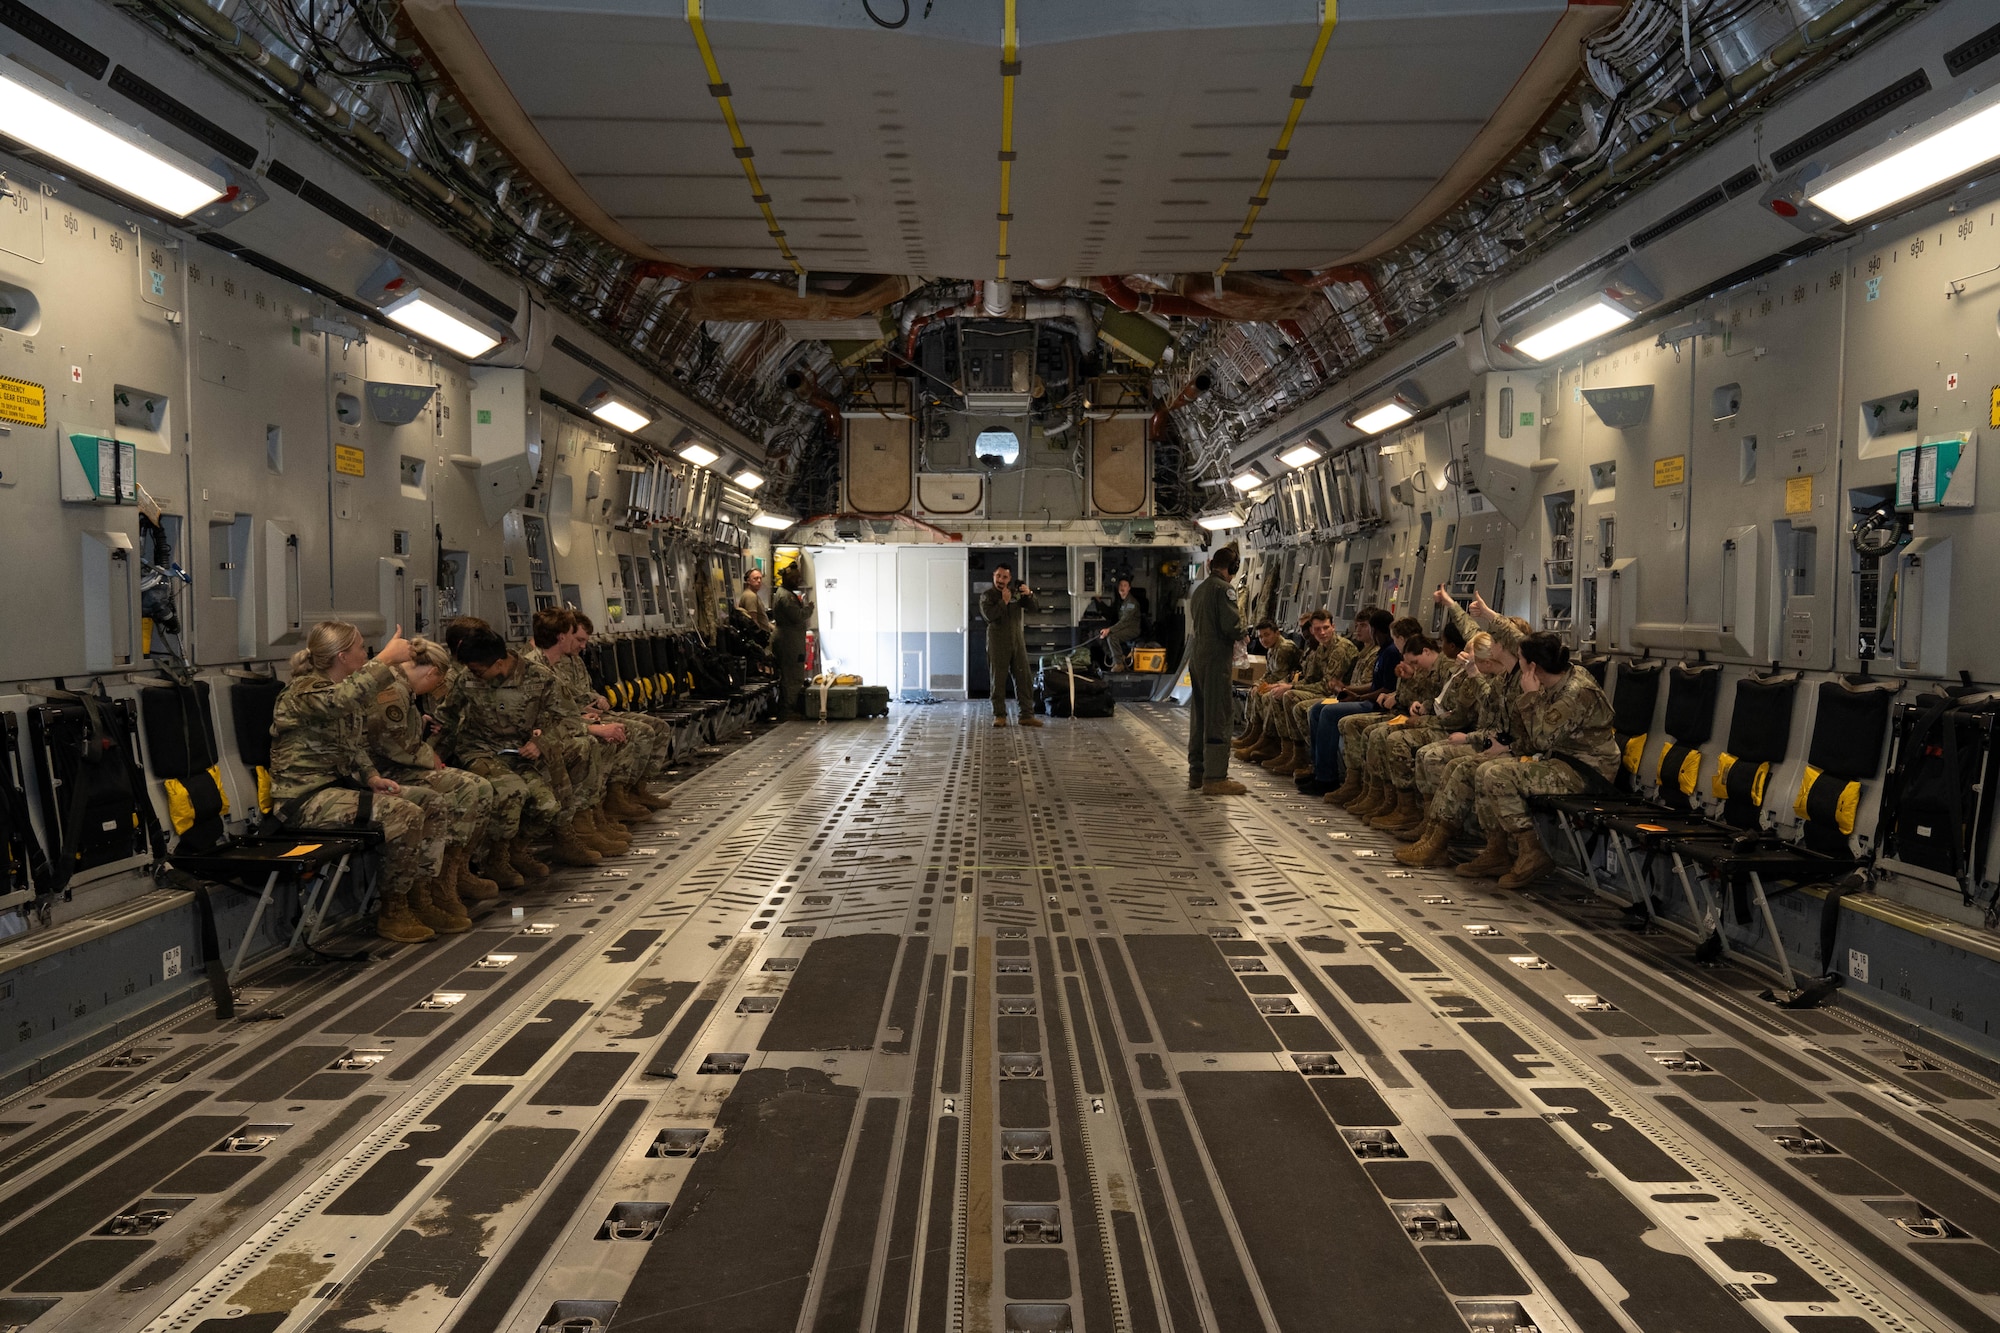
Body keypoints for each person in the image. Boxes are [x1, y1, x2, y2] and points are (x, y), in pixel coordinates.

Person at [268, 620, 439, 944]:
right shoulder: (303, 692)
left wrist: (371, 776)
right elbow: (339, 700)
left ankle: (423, 896)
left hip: (337, 788)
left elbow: (353, 744)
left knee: (429, 801)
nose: (366, 653)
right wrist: (386, 660)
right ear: (343, 656)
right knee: (404, 814)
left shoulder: (344, 689)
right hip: (303, 800)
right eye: (361, 647)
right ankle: (394, 911)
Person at [363, 635, 498, 933]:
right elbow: (392, 745)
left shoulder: (403, 689)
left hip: (398, 766)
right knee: (462, 789)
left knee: (481, 788)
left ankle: (451, 874)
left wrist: (419, 724)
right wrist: (429, 754)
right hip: (387, 771)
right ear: (432, 673)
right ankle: (428, 888)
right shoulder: (392, 691)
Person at [1398, 590, 1532, 870]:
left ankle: (1456, 843)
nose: (1490, 643)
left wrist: (1478, 739)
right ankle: (1434, 834)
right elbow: (1493, 714)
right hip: (1498, 742)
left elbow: (1518, 734)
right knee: (1459, 765)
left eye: (1497, 640)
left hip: (1520, 751)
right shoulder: (1502, 680)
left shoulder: (1527, 679)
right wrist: (1450, 605)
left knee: (1465, 767)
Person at [447, 625, 601, 869]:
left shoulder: (539, 678)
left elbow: (570, 718)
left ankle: (516, 852)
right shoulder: (466, 679)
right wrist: (433, 753)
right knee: (513, 792)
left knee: (547, 806)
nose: (473, 675)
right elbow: (448, 716)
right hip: (481, 751)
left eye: (478, 671)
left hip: (519, 753)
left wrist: (542, 742)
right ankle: (495, 862)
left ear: (498, 663)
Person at [1471, 631, 1618, 887]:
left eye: (1520, 659)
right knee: (1485, 770)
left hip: (1586, 771)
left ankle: (1531, 853)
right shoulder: (1554, 682)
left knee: (1498, 775)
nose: (1518, 664)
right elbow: (1531, 735)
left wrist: (1529, 696)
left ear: (1533, 666)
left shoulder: (1575, 691)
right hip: (1562, 760)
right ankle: (1498, 850)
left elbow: (1542, 739)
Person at [529, 607, 657, 844]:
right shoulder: (534, 670)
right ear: (562, 636)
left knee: (601, 741)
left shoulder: (551, 664)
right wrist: (592, 727)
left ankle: (595, 816)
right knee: (591, 744)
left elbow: (563, 711)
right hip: (538, 741)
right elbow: (542, 719)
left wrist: (588, 719)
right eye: (574, 635)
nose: (581, 645)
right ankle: (579, 829)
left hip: (564, 728)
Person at [1367, 621, 1482, 836]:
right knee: (1377, 733)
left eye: (1468, 654)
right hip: (1439, 720)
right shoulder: (1455, 672)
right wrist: (1421, 705)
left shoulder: (1454, 671)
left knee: (1400, 741)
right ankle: (1390, 799)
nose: (1461, 657)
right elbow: (1438, 701)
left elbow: (1459, 716)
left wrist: (1422, 720)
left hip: (1458, 730)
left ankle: (1425, 818)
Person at [570, 611, 675, 806]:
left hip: (599, 713)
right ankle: (614, 798)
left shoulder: (576, 660)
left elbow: (586, 690)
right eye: (579, 640)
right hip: (581, 719)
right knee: (638, 732)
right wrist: (586, 710)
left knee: (660, 727)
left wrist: (598, 698)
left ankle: (636, 789)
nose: (583, 645)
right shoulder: (550, 663)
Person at [1342, 629, 1449, 818]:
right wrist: (1407, 682)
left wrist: (1418, 710)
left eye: (1414, 662)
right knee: (1363, 729)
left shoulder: (1446, 670)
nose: (1414, 666)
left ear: (1426, 652)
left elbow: (1443, 708)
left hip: (1438, 724)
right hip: (1417, 717)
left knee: (1386, 736)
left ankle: (1405, 806)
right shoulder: (1427, 670)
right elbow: (1414, 700)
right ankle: (1372, 791)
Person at [1325, 616, 1426, 806]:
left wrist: (1393, 697)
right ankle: (1361, 785)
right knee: (1349, 722)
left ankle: (1389, 799)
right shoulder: (1400, 656)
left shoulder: (1416, 660)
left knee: (1373, 732)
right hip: (1396, 708)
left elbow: (1423, 695)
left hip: (1407, 715)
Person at [1301, 606, 1397, 795]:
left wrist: (1355, 695)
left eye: (1363, 626)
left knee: (1328, 712)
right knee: (1317, 709)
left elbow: (1384, 688)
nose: (1358, 630)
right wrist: (1347, 690)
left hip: (1374, 704)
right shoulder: (1376, 651)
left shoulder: (1389, 652)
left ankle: (1326, 778)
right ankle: (1318, 768)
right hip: (1362, 698)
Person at [1261, 609, 1353, 777]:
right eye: (1317, 629)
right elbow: (1310, 679)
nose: (1322, 633)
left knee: (1294, 699)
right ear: (1312, 631)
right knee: (1281, 693)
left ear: (1333, 627)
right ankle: (1291, 751)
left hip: (1339, 698)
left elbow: (1327, 687)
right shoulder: (1321, 649)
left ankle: (1310, 757)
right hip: (1325, 693)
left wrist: (1292, 688)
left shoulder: (1340, 649)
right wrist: (1288, 685)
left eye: (1326, 628)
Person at [1187, 544, 1245, 794]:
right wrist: (1244, 633)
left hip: (1198, 656)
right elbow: (1232, 626)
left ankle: (1196, 772)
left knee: (1199, 715)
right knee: (1218, 715)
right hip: (1215, 660)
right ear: (1231, 568)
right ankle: (1215, 777)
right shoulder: (1224, 590)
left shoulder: (1199, 590)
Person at [980, 563, 1044, 728]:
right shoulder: (987, 596)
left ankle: (1026, 715)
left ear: (1009, 579)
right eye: (998, 576)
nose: (1000, 580)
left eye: (1005, 577)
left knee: (1024, 678)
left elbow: (1034, 608)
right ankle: (999, 715)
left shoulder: (1015, 595)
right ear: (993, 576)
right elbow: (990, 616)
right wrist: (1003, 602)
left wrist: (1029, 594)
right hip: (997, 642)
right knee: (998, 680)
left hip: (1017, 641)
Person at [1236, 621, 1301, 773]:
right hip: (1281, 681)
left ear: (1277, 633)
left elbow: (1282, 675)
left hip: (1289, 682)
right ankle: (1254, 731)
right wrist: (1257, 684)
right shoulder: (1272, 649)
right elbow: (1269, 674)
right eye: (1260, 637)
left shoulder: (1284, 648)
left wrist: (1267, 686)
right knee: (1256, 691)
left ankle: (1269, 739)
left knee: (1268, 696)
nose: (1263, 640)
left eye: (1267, 635)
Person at [771, 563, 814, 714]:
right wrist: (809, 609)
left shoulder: (783, 593)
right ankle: (789, 709)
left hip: (790, 640)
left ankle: (788, 707)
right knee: (792, 677)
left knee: (791, 675)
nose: (798, 581)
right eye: (795, 578)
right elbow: (797, 616)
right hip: (789, 642)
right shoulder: (787, 596)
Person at [1096, 575, 1143, 670]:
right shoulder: (1120, 601)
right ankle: (1118, 657)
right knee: (1100, 635)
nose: (1122, 588)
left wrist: (1109, 630)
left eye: (1125, 585)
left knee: (1112, 637)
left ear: (1129, 588)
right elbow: (1110, 613)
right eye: (1121, 585)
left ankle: (1119, 664)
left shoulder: (1131, 603)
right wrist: (1098, 601)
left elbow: (1125, 622)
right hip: (1123, 628)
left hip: (1131, 629)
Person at [737, 567, 773, 635]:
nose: (759, 581)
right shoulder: (750, 596)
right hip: (760, 638)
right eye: (755, 578)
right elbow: (753, 621)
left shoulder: (752, 594)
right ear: (748, 581)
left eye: (760, 578)